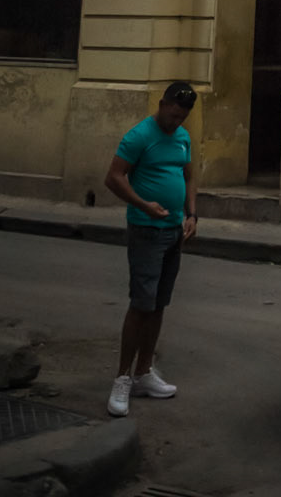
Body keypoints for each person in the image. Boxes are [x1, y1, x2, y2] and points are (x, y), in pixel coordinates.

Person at [104, 81, 198, 417]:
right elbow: (114, 177)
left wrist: (191, 214)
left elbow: (188, 177)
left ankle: (144, 373)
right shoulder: (139, 136)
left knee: (158, 303)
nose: (176, 120)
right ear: (162, 104)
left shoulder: (183, 137)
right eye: (173, 113)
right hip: (146, 230)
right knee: (141, 304)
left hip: (174, 231)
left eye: (182, 116)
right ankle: (122, 379)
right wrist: (143, 205)